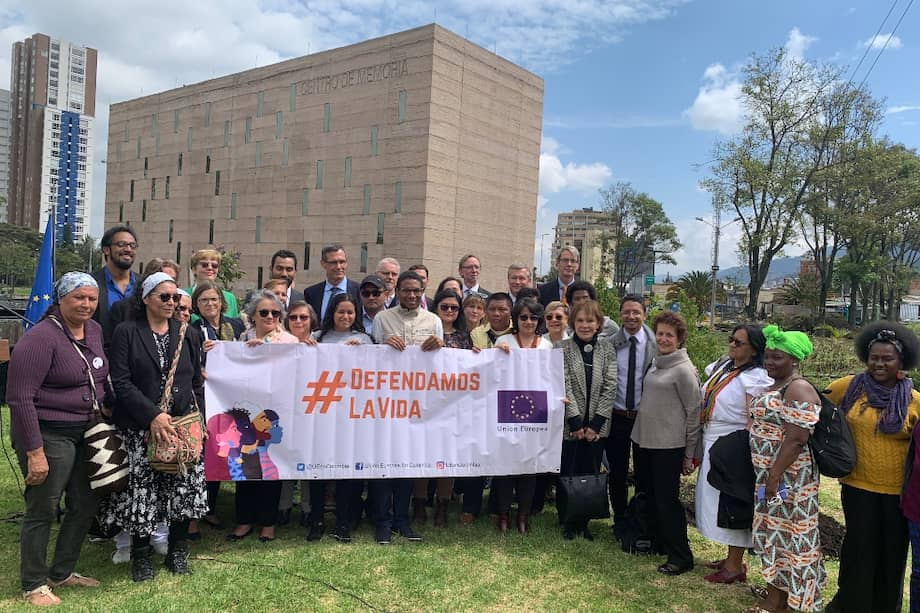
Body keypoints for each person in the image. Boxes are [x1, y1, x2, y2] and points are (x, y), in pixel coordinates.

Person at [8, 273, 110, 606]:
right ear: (62, 299)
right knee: (43, 506)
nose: (86, 304)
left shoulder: (94, 330)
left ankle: (62, 571)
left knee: (84, 504)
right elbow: (20, 398)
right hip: (48, 432)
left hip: (87, 431)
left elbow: (98, 376)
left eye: (92, 298)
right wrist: (34, 452)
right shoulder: (40, 338)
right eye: (79, 297)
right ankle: (34, 583)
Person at [101, 271, 207, 582]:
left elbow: (196, 382)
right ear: (146, 298)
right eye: (164, 296)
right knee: (142, 493)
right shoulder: (127, 332)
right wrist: (152, 416)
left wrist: (198, 421)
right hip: (140, 427)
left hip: (180, 427)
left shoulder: (189, 332)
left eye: (176, 297)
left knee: (180, 492)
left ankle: (177, 552)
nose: (172, 302)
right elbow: (120, 381)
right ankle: (141, 557)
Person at [825, 322, 920, 613]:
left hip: (897, 494)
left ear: (901, 361)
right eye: (874, 357)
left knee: (891, 555)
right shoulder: (848, 387)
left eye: (887, 358)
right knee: (858, 550)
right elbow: (814, 405)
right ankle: (851, 605)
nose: (879, 363)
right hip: (856, 486)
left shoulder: (915, 401)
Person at [747, 325, 826, 613]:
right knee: (771, 533)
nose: (770, 362)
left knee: (792, 536)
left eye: (778, 357)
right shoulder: (775, 387)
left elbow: (796, 440)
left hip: (789, 480)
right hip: (769, 476)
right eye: (768, 356)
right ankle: (776, 596)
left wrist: (774, 477)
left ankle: (793, 602)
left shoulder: (798, 387)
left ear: (794, 360)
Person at [370, 271, 443, 544]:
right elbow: (371, 356)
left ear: (423, 291)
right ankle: (382, 522)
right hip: (385, 403)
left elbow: (440, 362)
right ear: (396, 291)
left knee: (407, 464)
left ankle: (402, 520)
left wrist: (440, 345)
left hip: (418, 404)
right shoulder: (381, 319)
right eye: (406, 290)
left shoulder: (434, 321)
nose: (411, 295)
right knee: (383, 464)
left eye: (417, 290)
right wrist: (383, 345)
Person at [695, 324, 771, 585]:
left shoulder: (756, 376)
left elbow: (754, 418)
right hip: (713, 435)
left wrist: (744, 448)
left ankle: (735, 564)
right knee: (714, 498)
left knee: (731, 500)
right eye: (731, 340)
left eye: (739, 343)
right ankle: (731, 559)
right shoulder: (726, 367)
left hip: (734, 441)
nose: (732, 345)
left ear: (754, 350)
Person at [631, 311, 700, 576]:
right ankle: (659, 542)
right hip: (645, 440)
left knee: (666, 501)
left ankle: (681, 555)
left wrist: (689, 453)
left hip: (668, 446)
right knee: (649, 495)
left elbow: (694, 412)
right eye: (659, 333)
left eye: (669, 335)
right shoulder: (657, 362)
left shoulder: (683, 370)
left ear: (680, 339)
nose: (663, 339)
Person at [227, 291, 298, 546]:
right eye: (264, 312)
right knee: (246, 465)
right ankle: (244, 519)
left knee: (270, 465)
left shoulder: (290, 341)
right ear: (253, 315)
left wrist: (268, 350)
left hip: (277, 412)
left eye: (275, 313)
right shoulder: (242, 338)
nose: (270, 317)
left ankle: (268, 523)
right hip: (247, 410)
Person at [308, 293, 372, 543]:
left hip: (352, 416)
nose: (345, 317)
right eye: (340, 312)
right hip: (321, 412)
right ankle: (317, 520)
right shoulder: (317, 337)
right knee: (318, 470)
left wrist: (364, 352)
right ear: (331, 313)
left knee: (348, 471)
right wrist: (307, 347)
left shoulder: (365, 339)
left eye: (350, 312)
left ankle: (344, 522)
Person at [188, 281, 245, 537]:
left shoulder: (237, 326)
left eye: (213, 299)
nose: (210, 304)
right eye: (204, 301)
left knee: (227, 449)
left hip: (236, 398)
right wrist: (200, 354)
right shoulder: (192, 329)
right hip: (206, 398)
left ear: (222, 302)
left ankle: (214, 507)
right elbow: (187, 362)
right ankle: (199, 510)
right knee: (206, 453)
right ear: (196, 306)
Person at [492, 298, 553, 534]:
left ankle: (523, 516)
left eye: (533, 317)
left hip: (535, 411)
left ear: (539, 321)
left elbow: (551, 378)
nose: (528, 321)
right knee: (507, 464)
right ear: (516, 319)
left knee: (529, 465)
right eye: (524, 317)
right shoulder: (504, 341)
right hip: (507, 408)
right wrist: (497, 353)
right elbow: (493, 372)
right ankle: (504, 514)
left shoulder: (546, 345)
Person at [559, 300, 616, 540]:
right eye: (580, 320)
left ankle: (584, 521)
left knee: (589, 472)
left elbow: (610, 385)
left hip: (597, 425)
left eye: (590, 321)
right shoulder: (562, 348)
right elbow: (564, 383)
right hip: (570, 424)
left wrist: (595, 425)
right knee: (568, 472)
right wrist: (575, 423)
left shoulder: (607, 349)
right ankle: (568, 522)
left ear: (598, 324)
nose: (585, 325)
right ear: (573, 323)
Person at [605, 293, 653, 538]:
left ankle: (641, 519)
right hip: (618, 416)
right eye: (626, 312)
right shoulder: (611, 343)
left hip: (644, 418)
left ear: (645, 314)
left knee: (644, 472)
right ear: (620, 314)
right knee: (618, 472)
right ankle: (620, 518)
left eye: (636, 312)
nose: (631, 316)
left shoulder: (657, 345)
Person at [276, 300, 318, 527]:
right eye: (293, 317)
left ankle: (307, 508)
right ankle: (283, 507)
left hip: (313, 409)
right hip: (283, 407)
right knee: (284, 456)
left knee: (308, 459)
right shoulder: (277, 342)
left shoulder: (321, 344)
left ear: (311, 320)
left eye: (304, 317)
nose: (299, 321)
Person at [91, 225, 138, 349]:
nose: (128, 249)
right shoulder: (91, 283)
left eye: (132, 245)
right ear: (106, 250)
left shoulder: (144, 285)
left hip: (137, 358)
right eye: (121, 244)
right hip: (101, 354)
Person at [304, 243, 361, 320]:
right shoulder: (311, 293)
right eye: (333, 263)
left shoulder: (359, 291)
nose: (338, 267)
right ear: (323, 264)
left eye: (342, 262)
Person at [185, 248, 239, 318]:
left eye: (214, 265)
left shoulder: (229, 298)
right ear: (194, 269)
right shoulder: (183, 295)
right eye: (204, 265)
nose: (210, 268)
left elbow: (234, 324)